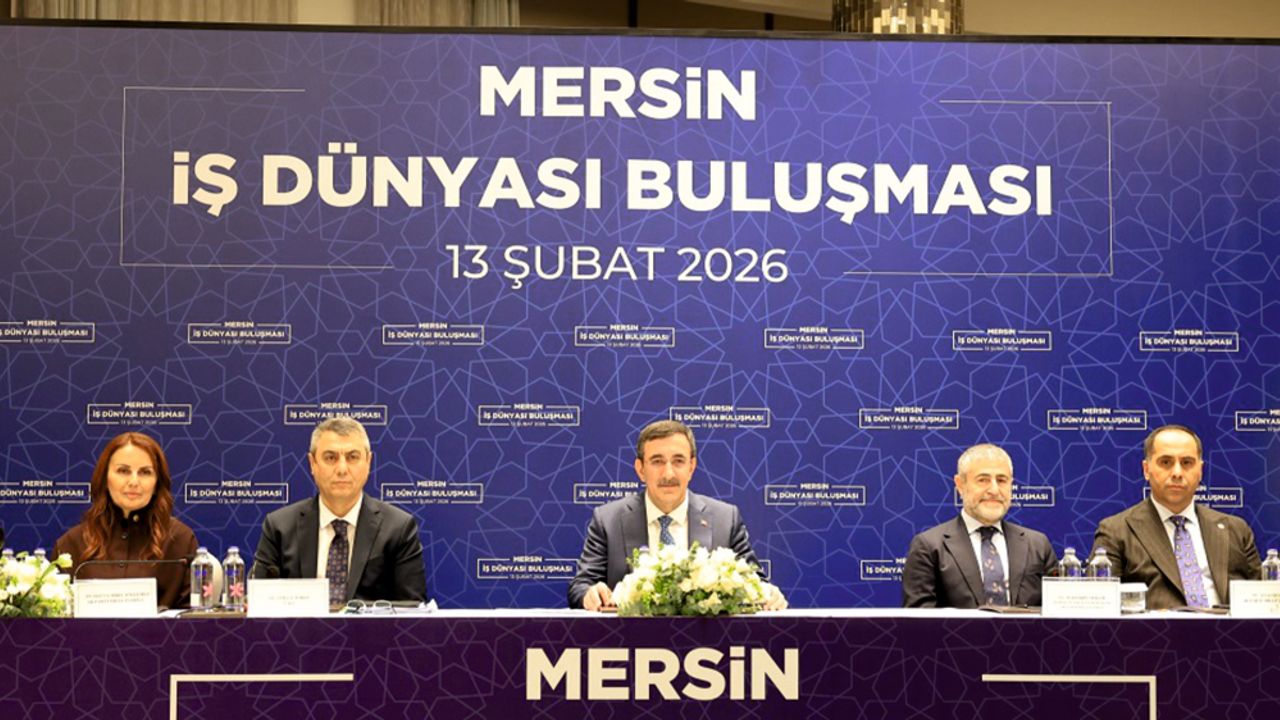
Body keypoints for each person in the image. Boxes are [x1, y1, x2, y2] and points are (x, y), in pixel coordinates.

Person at [568, 419, 786, 611]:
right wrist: (589, 594)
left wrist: (767, 593)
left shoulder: (725, 519)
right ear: (640, 469)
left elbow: (755, 583)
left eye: (678, 461)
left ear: (691, 467)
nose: (668, 473)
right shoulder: (608, 520)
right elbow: (580, 587)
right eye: (657, 461)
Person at [252, 416, 427, 605]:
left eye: (352, 457)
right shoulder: (279, 527)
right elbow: (259, 604)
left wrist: (351, 612)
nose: (342, 469)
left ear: (368, 462)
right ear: (313, 464)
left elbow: (413, 608)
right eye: (330, 458)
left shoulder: (398, 528)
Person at [1091, 424, 1261, 610]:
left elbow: (1263, 602)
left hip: (1228, 627)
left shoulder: (1236, 529)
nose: (1177, 473)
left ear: (1200, 470)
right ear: (1146, 470)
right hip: (1155, 628)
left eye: (1187, 462)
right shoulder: (1116, 532)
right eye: (1166, 462)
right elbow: (1100, 609)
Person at [54, 432, 199, 610]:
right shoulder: (71, 544)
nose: (133, 481)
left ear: (157, 484)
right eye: (123, 471)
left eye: (145, 472)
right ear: (105, 479)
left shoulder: (182, 540)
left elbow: (194, 619)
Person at [902, 443, 1057, 608]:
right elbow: (920, 619)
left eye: (1002, 480)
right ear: (960, 485)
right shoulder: (928, 547)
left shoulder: (1038, 545)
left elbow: (1059, 613)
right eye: (983, 480)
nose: (994, 490)